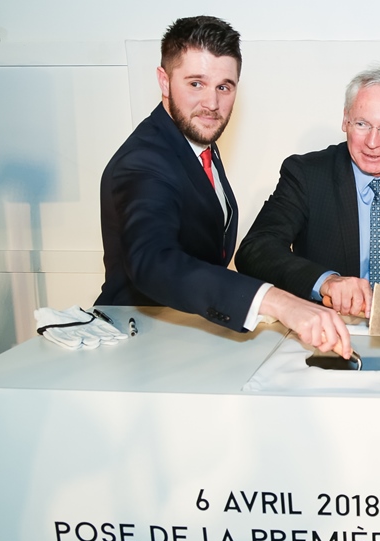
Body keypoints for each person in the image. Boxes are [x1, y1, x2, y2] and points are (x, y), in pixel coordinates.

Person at [95, 16, 350, 358]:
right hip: (135, 345)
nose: (212, 104)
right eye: (196, 84)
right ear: (164, 81)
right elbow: (154, 261)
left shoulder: (196, 140)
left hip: (185, 336)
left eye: (224, 87)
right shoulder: (144, 161)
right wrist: (275, 300)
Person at [234, 65, 380, 317]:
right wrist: (326, 282)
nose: (372, 142)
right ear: (345, 119)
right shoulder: (306, 174)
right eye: (362, 124)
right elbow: (255, 250)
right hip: (328, 328)